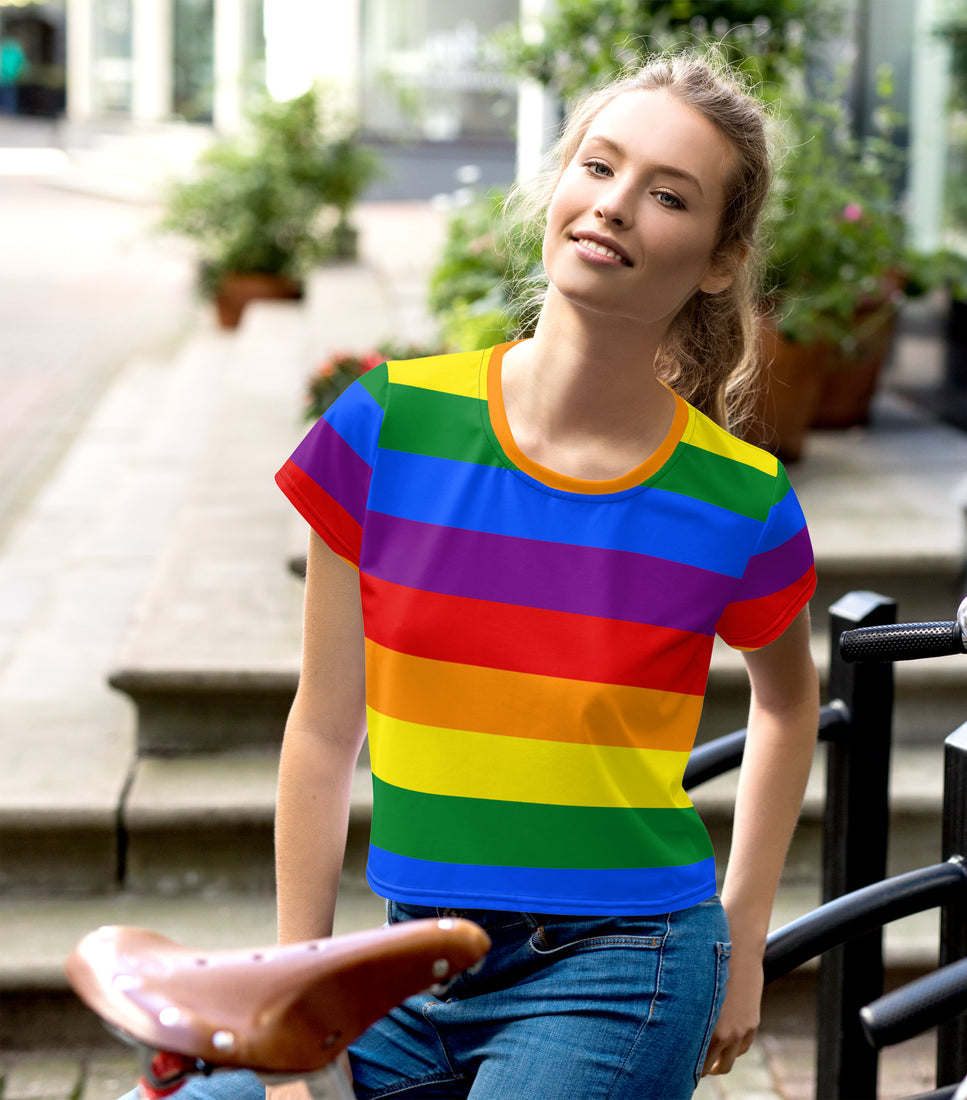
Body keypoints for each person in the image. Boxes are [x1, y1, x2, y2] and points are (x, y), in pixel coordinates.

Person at [163, 48, 820, 1100]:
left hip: (623, 967)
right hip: (403, 966)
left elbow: (790, 704)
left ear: (715, 258)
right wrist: (298, 1009)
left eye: (666, 195)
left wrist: (741, 938)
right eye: (598, 167)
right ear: (557, 183)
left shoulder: (736, 500)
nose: (614, 205)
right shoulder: (386, 426)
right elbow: (325, 729)